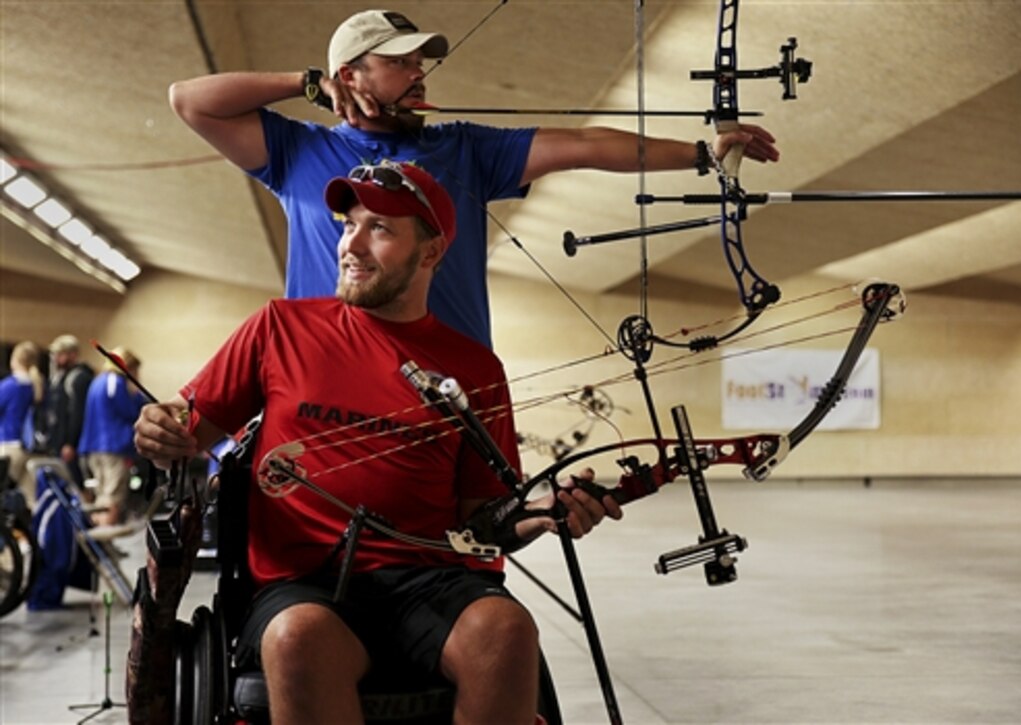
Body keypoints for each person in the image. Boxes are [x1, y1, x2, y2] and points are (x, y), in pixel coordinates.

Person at [133, 162, 622, 724]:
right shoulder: (279, 327)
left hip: (431, 582)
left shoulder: (475, 368)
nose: (352, 245)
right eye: (349, 225)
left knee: (507, 631)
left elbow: (481, 520)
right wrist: (158, 431)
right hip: (303, 585)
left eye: (381, 230)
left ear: (432, 252)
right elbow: (184, 430)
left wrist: (538, 514)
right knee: (298, 638)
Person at [169, 8, 780, 349]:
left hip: (449, 381)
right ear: (349, 75)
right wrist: (304, 82)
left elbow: (585, 145)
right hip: (327, 378)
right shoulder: (298, 151)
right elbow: (189, 100)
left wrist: (702, 151)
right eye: (399, 61)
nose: (419, 72)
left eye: (421, 61)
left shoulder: (461, 148)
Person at [78, 347, 146, 526]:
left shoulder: (97, 381)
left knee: (102, 496)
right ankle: (105, 542)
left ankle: (101, 538)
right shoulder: (115, 382)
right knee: (113, 496)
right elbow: (131, 412)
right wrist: (135, 393)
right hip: (114, 446)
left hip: (94, 446)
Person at [35, 334, 93, 488]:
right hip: (57, 442)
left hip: (71, 445)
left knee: (77, 484)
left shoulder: (79, 378)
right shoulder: (58, 379)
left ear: (73, 355)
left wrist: (71, 443)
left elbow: (78, 413)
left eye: (60, 354)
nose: (56, 359)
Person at [0, 341, 44, 501]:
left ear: (15, 360)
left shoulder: (10, 386)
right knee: (30, 495)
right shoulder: (36, 385)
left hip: (8, 444)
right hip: (26, 446)